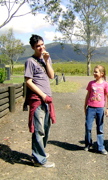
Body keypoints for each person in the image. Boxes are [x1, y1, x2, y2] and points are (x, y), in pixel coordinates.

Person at [24, 34, 56, 167]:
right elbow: (28, 82)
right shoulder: (30, 61)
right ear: (33, 47)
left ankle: (39, 152)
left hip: (47, 100)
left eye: (42, 44)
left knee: (46, 128)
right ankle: (39, 159)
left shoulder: (45, 59)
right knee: (39, 130)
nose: (41, 47)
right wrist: (42, 95)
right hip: (37, 99)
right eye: (38, 46)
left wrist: (47, 60)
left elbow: (52, 76)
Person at [84, 65, 108, 155]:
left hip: (100, 109)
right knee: (88, 127)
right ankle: (88, 144)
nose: (94, 73)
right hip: (90, 108)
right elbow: (88, 95)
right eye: (94, 71)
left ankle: (101, 147)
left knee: (100, 128)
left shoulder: (105, 84)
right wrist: (85, 106)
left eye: (96, 72)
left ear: (102, 74)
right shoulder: (91, 83)